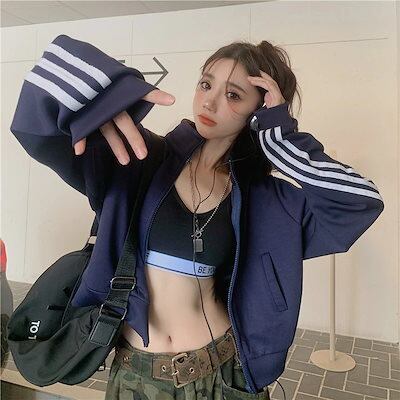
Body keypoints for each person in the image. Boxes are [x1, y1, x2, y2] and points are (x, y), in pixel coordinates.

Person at [10, 35, 384, 399]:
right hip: (139, 376)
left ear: (257, 111)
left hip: (225, 372)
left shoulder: (265, 200)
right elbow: (34, 122)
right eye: (206, 84)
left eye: (233, 95)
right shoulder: (139, 158)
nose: (210, 100)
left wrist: (280, 136)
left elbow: (360, 203)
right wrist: (111, 93)